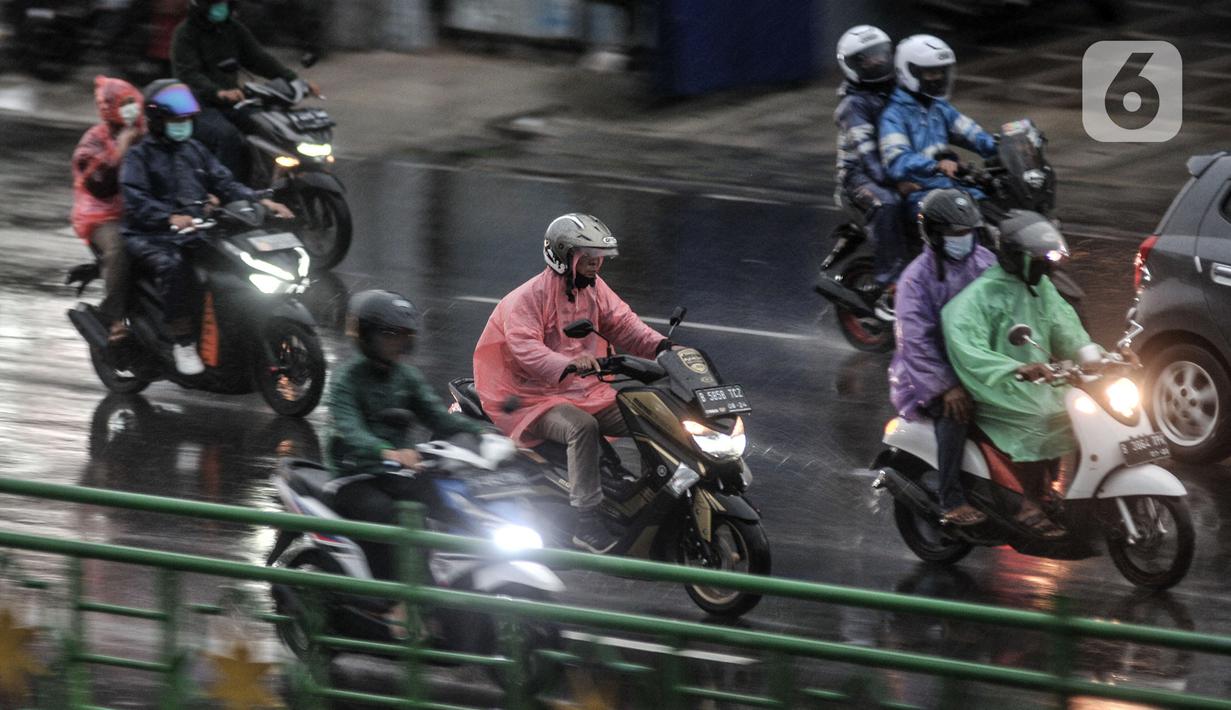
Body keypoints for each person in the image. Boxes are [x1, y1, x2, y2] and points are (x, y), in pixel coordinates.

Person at [472, 214, 674, 554]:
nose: (596, 262)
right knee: (581, 427)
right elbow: (525, 350)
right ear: (565, 256)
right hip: (530, 396)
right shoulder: (527, 298)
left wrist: (665, 349)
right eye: (587, 255)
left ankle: (653, 490)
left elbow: (624, 325)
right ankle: (587, 520)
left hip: (581, 388)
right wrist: (567, 364)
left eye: (599, 255)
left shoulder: (595, 289)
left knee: (647, 412)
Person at [121, 79, 293, 376]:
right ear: (158, 120)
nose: (184, 125)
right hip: (153, 236)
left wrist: (262, 203)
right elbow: (135, 200)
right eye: (177, 119)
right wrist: (168, 217)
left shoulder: (195, 150)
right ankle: (184, 342)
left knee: (238, 262)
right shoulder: (140, 156)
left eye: (187, 119)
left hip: (195, 231)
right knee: (177, 269)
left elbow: (225, 182)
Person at [940, 212, 1091, 538]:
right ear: (1015, 258)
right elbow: (968, 347)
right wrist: (1014, 367)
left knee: (1082, 410)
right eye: (1038, 260)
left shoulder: (1041, 288)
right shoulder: (980, 295)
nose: (1046, 266)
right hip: (995, 385)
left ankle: (1055, 490)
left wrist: (1098, 357)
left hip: (1039, 381)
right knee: (1040, 417)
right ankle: (1028, 504)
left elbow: (1068, 329)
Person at [324, 290, 492, 581]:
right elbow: (351, 432)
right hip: (355, 477)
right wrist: (388, 452)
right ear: (366, 336)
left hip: (398, 474)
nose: (398, 343)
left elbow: (438, 416)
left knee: (457, 503)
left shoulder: (406, 376)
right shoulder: (346, 380)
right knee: (389, 519)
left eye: (403, 335)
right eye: (390, 335)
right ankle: (394, 600)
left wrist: (487, 435)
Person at [888, 189, 996, 526]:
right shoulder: (915, 281)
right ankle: (951, 499)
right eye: (956, 233)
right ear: (935, 235)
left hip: (981, 366)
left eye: (968, 232)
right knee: (956, 414)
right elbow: (915, 342)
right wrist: (946, 387)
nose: (964, 239)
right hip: (927, 376)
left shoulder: (987, 262)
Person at [170, 0, 319, 181]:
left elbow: (258, 59)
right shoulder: (185, 33)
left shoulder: (233, 29)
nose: (221, 7)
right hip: (197, 104)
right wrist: (218, 92)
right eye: (216, 3)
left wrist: (294, 79)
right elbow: (189, 74)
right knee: (227, 136)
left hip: (233, 100)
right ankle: (226, 191)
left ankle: (269, 179)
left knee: (270, 126)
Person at [833, 25, 914, 313]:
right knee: (888, 203)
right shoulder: (854, 104)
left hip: (898, 166)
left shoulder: (901, 89)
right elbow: (868, 157)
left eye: (880, 55)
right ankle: (892, 286)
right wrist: (898, 181)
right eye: (866, 60)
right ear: (853, 66)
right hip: (861, 177)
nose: (876, 62)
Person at [879, 34, 998, 218]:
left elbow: (971, 133)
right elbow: (897, 160)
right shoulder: (894, 115)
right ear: (910, 71)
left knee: (997, 211)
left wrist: (1002, 145)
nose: (939, 77)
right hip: (921, 193)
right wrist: (935, 165)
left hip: (950, 187)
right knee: (965, 224)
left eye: (942, 72)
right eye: (931, 72)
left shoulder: (939, 107)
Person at [71, 76, 146, 344]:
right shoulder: (93, 141)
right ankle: (113, 319)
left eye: (132, 101)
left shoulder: (149, 131)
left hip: (145, 211)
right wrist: (121, 150)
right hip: (103, 217)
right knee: (119, 250)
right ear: (108, 108)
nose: (131, 108)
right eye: (123, 104)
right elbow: (101, 186)